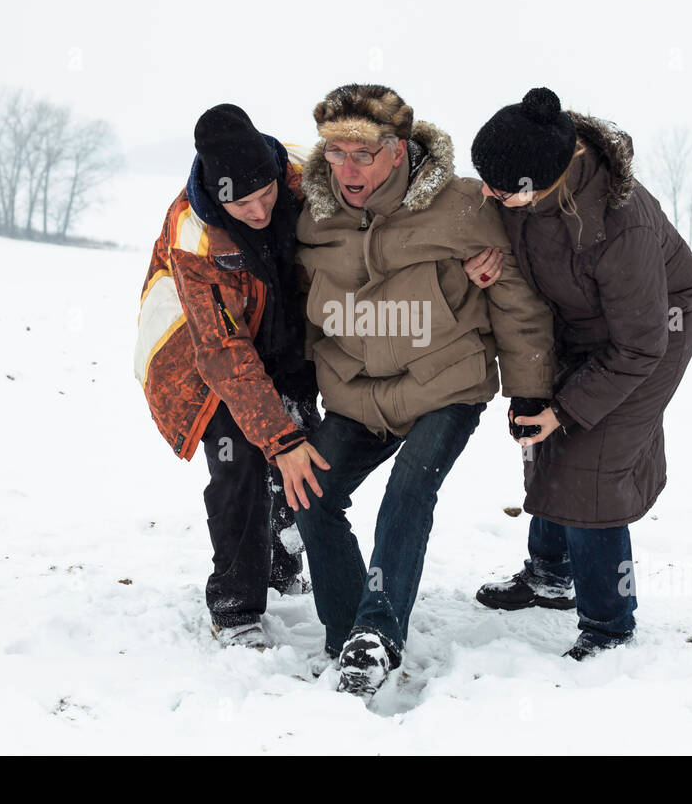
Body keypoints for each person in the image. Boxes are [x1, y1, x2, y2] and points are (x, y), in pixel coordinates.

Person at [293, 83, 557, 696]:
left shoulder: (461, 205)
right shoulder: (313, 213)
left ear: (398, 149)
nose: (346, 168)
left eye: (362, 152)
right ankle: (348, 634)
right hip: (356, 391)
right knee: (311, 492)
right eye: (334, 152)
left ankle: (378, 633)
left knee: (408, 491)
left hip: (446, 384)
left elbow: (517, 301)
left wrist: (529, 392)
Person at [467, 88, 692, 660]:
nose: (486, 195)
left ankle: (608, 625)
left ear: (543, 182)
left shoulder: (623, 226)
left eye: (499, 189)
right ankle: (550, 574)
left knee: (591, 466)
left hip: (655, 329)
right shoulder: (521, 187)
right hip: (580, 319)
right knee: (539, 435)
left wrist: (567, 408)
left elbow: (639, 344)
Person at [133, 104, 330, 649]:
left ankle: (281, 564)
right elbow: (224, 352)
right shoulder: (192, 237)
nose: (261, 208)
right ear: (217, 197)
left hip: (282, 326)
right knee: (240, 455)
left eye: (266, 193)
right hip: (195, 350)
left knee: (299, 440)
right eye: (242, 203)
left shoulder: (302, 169)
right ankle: (235, 606)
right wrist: (278, 438)